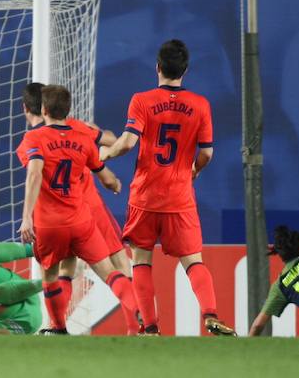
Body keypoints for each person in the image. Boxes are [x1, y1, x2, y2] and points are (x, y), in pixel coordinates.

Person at [100, 39, 235, 336]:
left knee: (141, 261)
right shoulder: (200, 104)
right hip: (180, 198)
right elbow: (207, 152)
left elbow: (128, 143)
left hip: (144, 197)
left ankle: (150, 327)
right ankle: (210, 314)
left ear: (158, 67)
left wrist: (105, 154)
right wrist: (194, 170)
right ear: (185, 70)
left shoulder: (142, 100)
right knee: (193, 261)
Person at [17, 85, 139, 334]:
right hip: (83, 213)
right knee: (114, 266)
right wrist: (101, 152)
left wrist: (26, 217)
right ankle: (139, 319)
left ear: (32, 108)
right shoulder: (80, 131)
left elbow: (35, 173)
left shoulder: (32, 140)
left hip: (52, 220)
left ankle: (57, 326)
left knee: (59, 271)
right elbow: (111, 142)